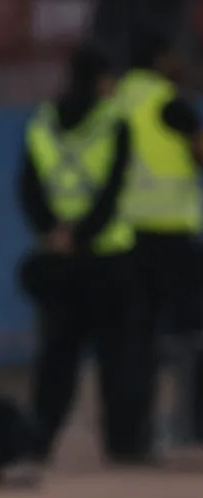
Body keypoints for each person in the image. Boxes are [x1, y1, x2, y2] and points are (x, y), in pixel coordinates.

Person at [17, 45, 139, 466]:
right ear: (100, 79)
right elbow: (114, 189)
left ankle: (38, 442)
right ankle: (124, 446)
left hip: (58, 259)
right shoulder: (114, 123)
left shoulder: (43, 122)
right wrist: (84, 234)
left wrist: (54, 233)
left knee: (54, 358)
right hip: (107, 258)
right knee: (117, 359)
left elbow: (28, 187)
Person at [116, 32, 203, 454]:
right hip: (171, 232)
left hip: (127, 235)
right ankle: (190, 427)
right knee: (190, 335)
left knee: (136, 343)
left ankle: (135, 435)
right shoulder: (167, 101)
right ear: (160, 58)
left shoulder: (117, 100)